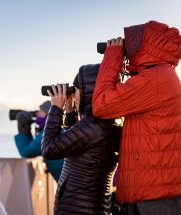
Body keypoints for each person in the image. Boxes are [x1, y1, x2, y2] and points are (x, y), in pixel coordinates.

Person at [92, 20, 181, 214]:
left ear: (147, 46)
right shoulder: (161, 75)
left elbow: (101, 105)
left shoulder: (156, 79)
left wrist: (113, 55)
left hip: (155, 200)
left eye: (133, 43)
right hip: (154, 194)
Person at [41, 64, 121, 215]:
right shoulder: (106, 122)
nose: (74, 94)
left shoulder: (94, 125)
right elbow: (76, 144)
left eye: (76, 90)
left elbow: (49, 149)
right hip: (90, 206)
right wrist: (70, 112)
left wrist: (56, 108)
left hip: (79, 209)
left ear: (87, 92)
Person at [14, 100, 63, 182]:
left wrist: (23, 130)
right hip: (68, 179)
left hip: (68, 181)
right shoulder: (58, 128)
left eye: (41, 111)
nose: (37, 114)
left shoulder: (49, 133)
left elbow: (26, 152)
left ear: (49, 114)